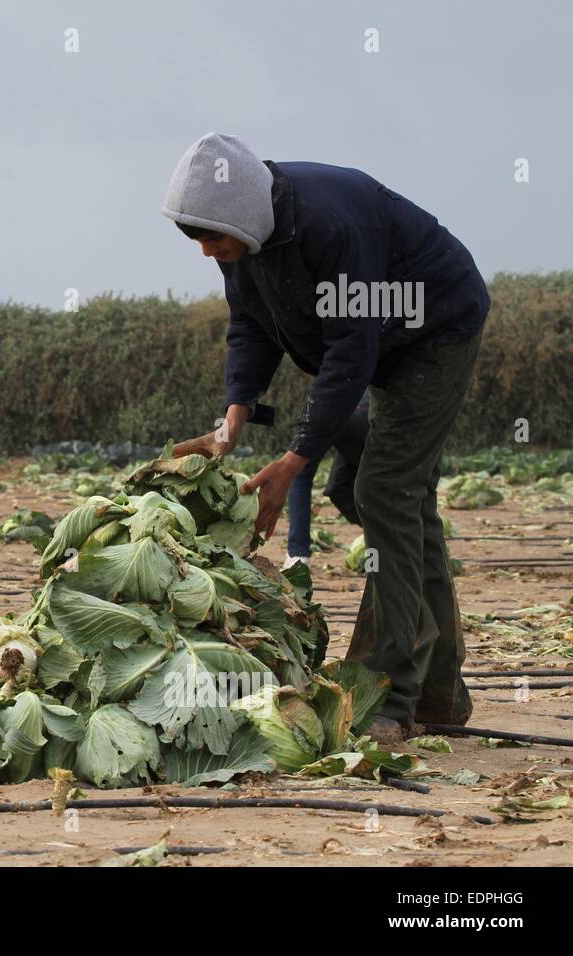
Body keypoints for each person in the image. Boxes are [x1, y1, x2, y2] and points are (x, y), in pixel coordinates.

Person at [165, 132, 489, 744]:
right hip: (380, 346)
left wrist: (293, 461)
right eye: (199, 240)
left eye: (212, 238)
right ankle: (442, 694)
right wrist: (232, 421)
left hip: (434, 332)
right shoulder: (247, 247)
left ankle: (390, 696)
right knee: (388, 500)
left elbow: (351, 348)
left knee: (386, 489)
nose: (208, 252)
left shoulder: (331, 221)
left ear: (242, 216)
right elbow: (249, 329)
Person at [283, 393, 368, 569]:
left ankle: (297, 555)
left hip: (343, 407)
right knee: (338, 489)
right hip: (353, 409)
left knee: (302, 472)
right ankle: (387, 539)